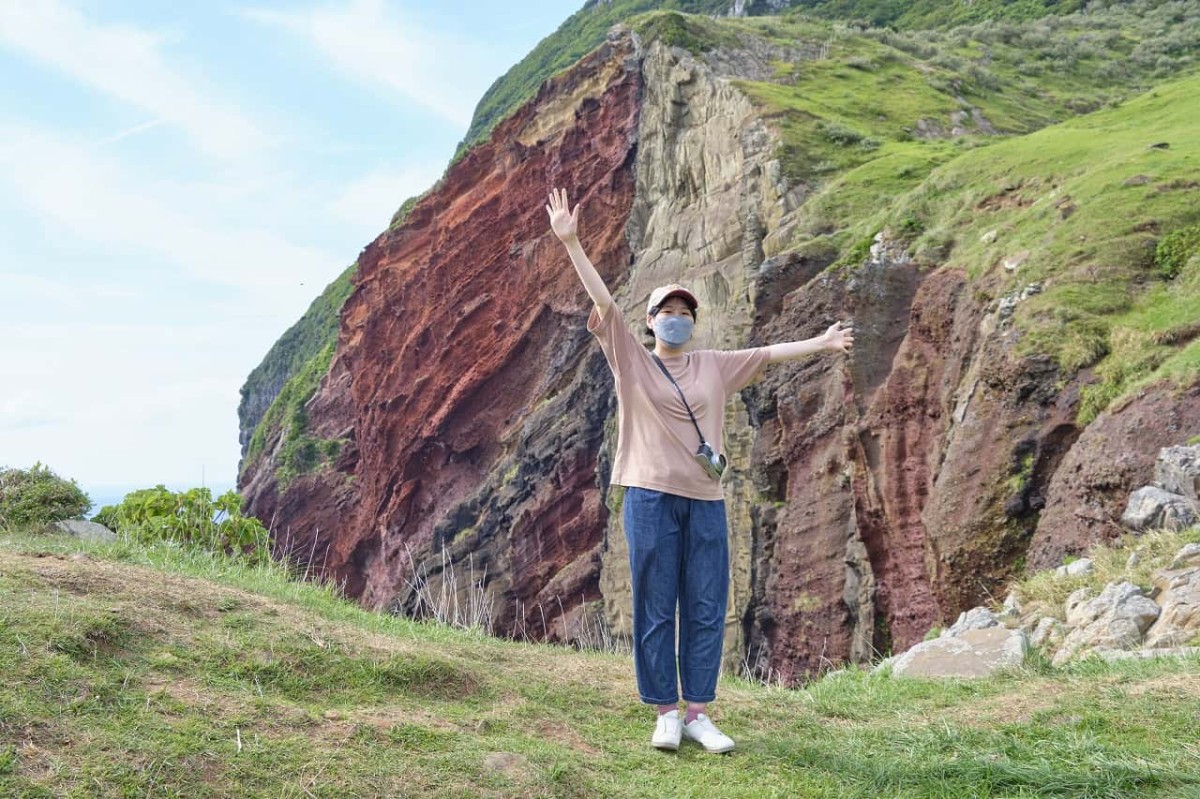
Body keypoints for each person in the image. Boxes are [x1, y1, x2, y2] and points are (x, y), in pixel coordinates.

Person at [545, 188, 854, 753]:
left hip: (706, 500)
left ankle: (698, 712)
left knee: (707, 606)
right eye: (668, 313)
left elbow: (770, 353)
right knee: (656, 604)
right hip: (649, 496)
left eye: (686, 314)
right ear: (650, 321)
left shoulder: (714, 365)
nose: (677, 320)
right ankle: (664, 710)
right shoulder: (631, 359)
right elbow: (604, 302)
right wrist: (570, 241)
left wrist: (824, 343)